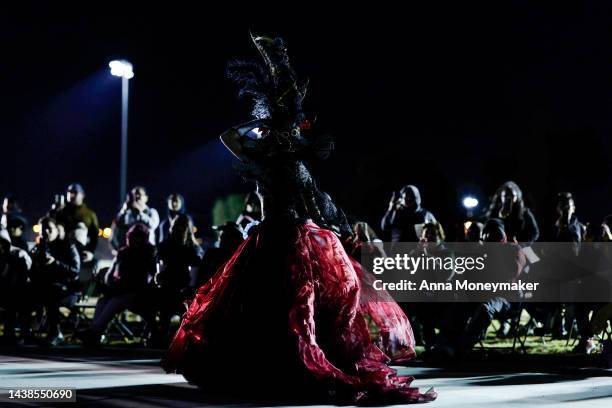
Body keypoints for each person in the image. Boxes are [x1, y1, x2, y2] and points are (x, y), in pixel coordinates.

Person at [162, 35, 435, 403]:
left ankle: (287, 368)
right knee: (269, 309)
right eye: (283, 129)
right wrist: (263, 124)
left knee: (297, 309)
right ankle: (265, 368)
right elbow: (229, 135)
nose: (288, 134)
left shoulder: (295, 166)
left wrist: (339, 227)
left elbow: (316, 204)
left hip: (296, 242)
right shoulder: (263, 158)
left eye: (291, 129)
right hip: (268, 240)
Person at [80, 224, 156, 346]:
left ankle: (94, 333)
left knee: (114, 301)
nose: (135, 240)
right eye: (132, 237)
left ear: (144, 238)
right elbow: (110, 273)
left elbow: (151, 275)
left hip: (139, 292)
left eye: (138, 237)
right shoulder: (123, 252)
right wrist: (109, 283)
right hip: (121, 290)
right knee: (103, 301)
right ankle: (95, 333)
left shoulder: (149, 252)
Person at [29, 217, 80, 346]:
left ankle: (55, 332)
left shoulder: (68, 245)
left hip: (69, 290)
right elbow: (33, 273)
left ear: (57, 230)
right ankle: (24, 332)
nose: (46, 232)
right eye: (43, 230)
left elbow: (75, 271)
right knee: (24, 291)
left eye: (49, 229)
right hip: (46, 289)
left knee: (51, 294)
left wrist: (55, 263)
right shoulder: (39, 248)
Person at [155, 214, 204, 344]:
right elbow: (160, 269)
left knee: (170, 304)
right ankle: (161, 334)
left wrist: (190, 288)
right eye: (178, 227)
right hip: (170, 287)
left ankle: (167, 336)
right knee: (164, 303)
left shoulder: (193, 249)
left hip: (182, 289)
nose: (180, 230)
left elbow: (193, 273)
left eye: (183, 227)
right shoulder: (166, 246)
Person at [485, 181, 539, 245]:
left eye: (512, 196)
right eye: (505, 196)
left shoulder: (524, 213)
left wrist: (522, 244)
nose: (508, 198)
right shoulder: (494, 210)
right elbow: (486, 225)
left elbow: (534, 232)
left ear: (516, 197)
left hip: (518, 247)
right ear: (501, 196)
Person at [55, 184, 100, 257]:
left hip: (82, 252)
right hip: (63, 252)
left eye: (75, 192)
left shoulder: (89, 215)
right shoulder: (61, 212)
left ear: (82, 195)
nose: (71, 195)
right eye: (69, 192)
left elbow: (94, 237)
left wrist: (90, 252)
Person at [111, 186, 160, 250]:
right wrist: (124, 209)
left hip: (147, 251)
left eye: (139, 194)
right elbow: (118, 224)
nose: (136, 197)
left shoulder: (152, 212)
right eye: (133, 195)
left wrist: (139, 213)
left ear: (146, 198)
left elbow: (153, 225)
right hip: (130, 250)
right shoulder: (128, 213)